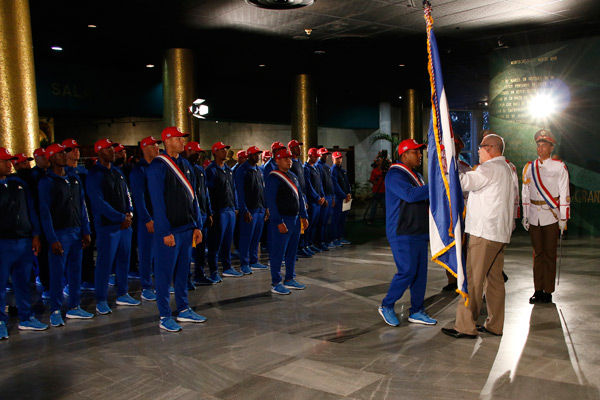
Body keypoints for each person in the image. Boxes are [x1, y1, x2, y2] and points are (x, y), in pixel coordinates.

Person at [442, 133, 514, 338]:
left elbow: (463, 182)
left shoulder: (489, 168)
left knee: (472, 280)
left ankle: (465, 326)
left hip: (484, 233)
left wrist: (448, 166)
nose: (478, 152)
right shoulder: (507, 169)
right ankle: (495, 325)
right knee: (494, 281)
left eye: (481, 148)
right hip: (499, 234)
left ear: (490, 149)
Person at [147, 127, 205, 332]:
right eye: (179, 138)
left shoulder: (185, 164)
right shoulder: (157, 166)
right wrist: (164, 232)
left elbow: (193, 198)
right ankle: (164, 315)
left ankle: (183, 308)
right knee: (164, 274)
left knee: (183, 272)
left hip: (187, 228)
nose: (183, 142)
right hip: (170, 231)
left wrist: (196, 224)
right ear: (168, 140)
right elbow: (158, 203)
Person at [378, 139, 437, 327]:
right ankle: (387, 305)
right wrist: (436, 185)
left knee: (420, 274)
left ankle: (417, 310)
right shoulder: (395, 174)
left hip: (417, 231)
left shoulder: (416, 174)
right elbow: (410, 196)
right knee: (407, 271)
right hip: (402, 231)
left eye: (420, 152)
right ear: (404, 155)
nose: (420, 155)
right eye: (416, 152)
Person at [38, 143, 94, 327]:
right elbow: (45, 213)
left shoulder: (74, 179)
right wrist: (52, 238)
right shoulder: (47, 182)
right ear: (51, 158)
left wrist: (86, 230)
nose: (64, 155)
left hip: (76, 232)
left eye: (64, 152)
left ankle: (74, 306)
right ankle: (55, 310)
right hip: (60, 233)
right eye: (59, 153)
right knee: (57, 274)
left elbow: (82, 206)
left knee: (75, 272)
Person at [86, 138, 140, 315]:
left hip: (125, 225)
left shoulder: (118, 173)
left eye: (112, 149)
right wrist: (119, 217)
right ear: (99, 152)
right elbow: (98, 202)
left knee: (124, 260)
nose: (112, 152)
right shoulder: (95, 174)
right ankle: (101, 299)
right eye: (108, 149)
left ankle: (122, 293)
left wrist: (130, 213)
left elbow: (127, 194)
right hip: (108, 227)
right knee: (104, 264)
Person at [0, 147, 48, 339]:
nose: (9, 164)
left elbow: (31, 210)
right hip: (3, 243)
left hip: (24, 240)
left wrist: (35, 234)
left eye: (10, 161)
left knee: (23, 283)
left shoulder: (18, 184)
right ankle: (1, 321)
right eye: (4, 161)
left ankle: (26, 318)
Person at [521, 129, 570, 304]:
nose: (540, 149)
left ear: (551, 148)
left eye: (544, 146)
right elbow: (525, 193)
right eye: (538, 146)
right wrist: (525, 215)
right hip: (534, 214)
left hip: (551, 215)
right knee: (537, 254)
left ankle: (548, 291)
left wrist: (563, 217)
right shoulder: (529, 167)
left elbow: (564, 192)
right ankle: (537, 289)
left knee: (549, 253)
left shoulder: (559, 167)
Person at [265, 148, 309, 295]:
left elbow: (300, 197)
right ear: (277, 161)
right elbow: (271, 202)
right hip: (283, 219)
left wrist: (304, 215)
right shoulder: (273, 178)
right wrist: (278, 221)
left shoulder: (293, 175)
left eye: (290, 158)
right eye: (285, 159)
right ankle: (276, 282)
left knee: (292, 251)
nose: (289, 161)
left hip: (295, 219)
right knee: (278, 252)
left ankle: (290, 279)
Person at [129, 136, 163, 301]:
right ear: (145, 148)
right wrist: (147, 218)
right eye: (153, 145)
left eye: (157, 145)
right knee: (146, 253)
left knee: (159, 253)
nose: (157, 148)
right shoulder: (139, 170)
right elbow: (139, 198)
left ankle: (160, 284)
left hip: (160, 217)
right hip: (147, 219)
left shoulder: (157, 167)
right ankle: (146, 286)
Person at [205, 141, 240, 279]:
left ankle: (227, 267)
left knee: (227, 241)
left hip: (230, 209)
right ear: (215, 152)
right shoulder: (211, 170)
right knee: (215, 242)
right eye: (221, 150)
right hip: (219, 211)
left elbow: (233, 189)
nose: (225, 152)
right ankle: (214, 271)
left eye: (225, 149)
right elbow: (209, 192)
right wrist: (211, 211)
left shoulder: (228, 170)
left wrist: (236, 207)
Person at [234, 145, 269, 274]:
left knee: (256, 238)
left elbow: (263, 190)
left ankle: (254, 261)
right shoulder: (241, 171)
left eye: (258, 154)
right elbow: (240, 192)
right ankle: (244, 263)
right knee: (246, 238)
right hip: (250, 210)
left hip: (259, 208)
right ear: (249, 156)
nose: (257, 156)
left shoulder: (259, 170)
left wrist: (266, 207)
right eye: (255, 154)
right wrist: (244, 210)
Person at [183, 142, 214, 286]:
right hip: (191, 215)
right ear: (188, 151)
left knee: (200, 248)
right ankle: (186, 278)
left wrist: (209, 212)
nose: (199, 155)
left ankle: (199, 274)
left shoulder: (200, 170)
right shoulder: (183, 168)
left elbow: (205, 192)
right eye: (196, 152)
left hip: (201, 214)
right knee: (190, 249)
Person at [288, 140, 312, 258]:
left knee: (303, 225)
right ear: (291, 149)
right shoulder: (290, 163)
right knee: (297, 226)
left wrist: (305, 199)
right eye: (297, 147)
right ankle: (297, 248)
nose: (300, 149)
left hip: (303, 197)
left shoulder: (299, 163)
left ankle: (303, 246)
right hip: (296, 199)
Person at [303, 148, 326, 253]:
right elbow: (308, 185)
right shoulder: (306, 168)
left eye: (318, 157)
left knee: (315, 224)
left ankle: (311, 243)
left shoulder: (315, 168)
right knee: (309, 224)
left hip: (318, 202)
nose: (317, 158)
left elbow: (320, 184)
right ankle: (305, 244)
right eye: (315, 156)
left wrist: (322, 196)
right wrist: (317, 197)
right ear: (310, 156)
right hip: (312, 202)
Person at [330, 151, 352, 246]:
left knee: (342, 219)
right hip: (338, 198)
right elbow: (335, 185)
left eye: (340, 158)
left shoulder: (342, 170)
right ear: (333, 159)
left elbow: (347, 183)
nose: (339, 160)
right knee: (336, 219)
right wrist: (344, 195)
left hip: (344, 199)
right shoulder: (333, 171)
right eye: (337, 158)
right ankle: (334, 238)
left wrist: (349, 193)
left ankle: (340, 237)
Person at [316, 148, 335, 250]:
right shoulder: (318, 166)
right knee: (321, 222)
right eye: (323, 155)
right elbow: (320, 184)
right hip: (323, 197)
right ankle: (320, 241)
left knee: (327, 221)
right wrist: (322, 196)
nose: (325, 156)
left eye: (326, 155)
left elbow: (330, 183)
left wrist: (332, 196)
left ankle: (325, 240)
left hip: (329, 196)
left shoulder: (327, 167)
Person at [367, 154, 386, 223]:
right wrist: (374, 181)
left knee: (385, 206)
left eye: (382, 161)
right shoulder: (374, 171)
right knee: (374, 205)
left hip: (384, 191)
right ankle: (371, 219)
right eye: (379, 161)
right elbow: (371, 180)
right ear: (377, 162)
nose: (381, 162)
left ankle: (386, 219)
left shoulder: (386, 171)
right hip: (376, 191)